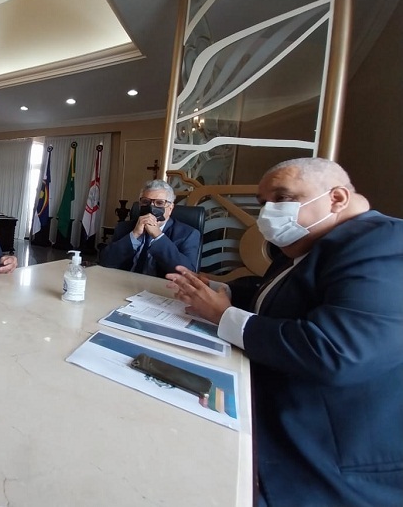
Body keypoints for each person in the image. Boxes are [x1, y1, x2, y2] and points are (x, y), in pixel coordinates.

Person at [166, 158, 403, 507]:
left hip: (321, 458)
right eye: (264, 203)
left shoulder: (384, 243)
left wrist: (223, 316)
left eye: (282, 197)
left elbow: (335, 351)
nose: (269, 212)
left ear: (336, 198)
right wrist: (220, 290)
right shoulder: (307, 244)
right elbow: (276, 295)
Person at [99, 179, 200, 277]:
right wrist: (134, 235)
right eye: (146, 202)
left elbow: (187, 274)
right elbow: (105, 262)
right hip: (124, 284)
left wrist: (158, 236)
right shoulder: (124, 227)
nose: (151, 208)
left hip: (160, 290)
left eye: (159, 203)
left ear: (170, 208)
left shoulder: (188, 234)